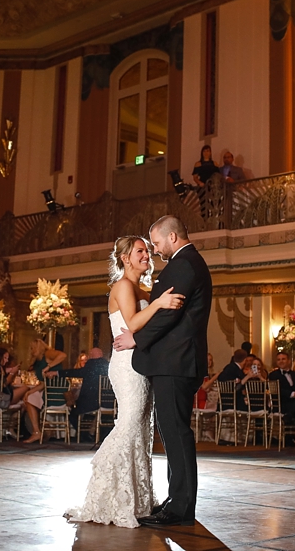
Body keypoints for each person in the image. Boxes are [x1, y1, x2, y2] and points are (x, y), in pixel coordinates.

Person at [67, 232, 186, 528]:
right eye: (140, 251)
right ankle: (104, 493)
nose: (147, 255)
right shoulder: (122, 285)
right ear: (125, 258)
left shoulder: (142, 287)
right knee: (130, 424)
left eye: (147, 251)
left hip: (142, 365)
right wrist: (159, 304)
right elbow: (132, 324)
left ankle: (136, 500)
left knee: (143, 429)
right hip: (126, 366)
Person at [114, 215, 212, 527]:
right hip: (174, 361)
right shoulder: (187, 263)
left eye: (155, 243)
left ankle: (181, 508)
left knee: (177, 433)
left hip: (176, 362)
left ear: (172, 237)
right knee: (172, 432)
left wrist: (136, 337)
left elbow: (170, 314)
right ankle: (176, 500)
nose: (154, 250)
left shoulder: (184, 264)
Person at [0, 347, 43, 442]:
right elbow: (3, 384)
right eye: (5, 358)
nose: (6, 360)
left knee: (24, 404)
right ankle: (15, 427)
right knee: (26, 388)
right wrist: (12, 372)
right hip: (0, 397)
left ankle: (9, 427)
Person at [48, 347, 109, 435]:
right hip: (107, 403)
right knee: (85, 412)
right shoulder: (107, 365)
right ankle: (93, 434)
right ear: (102, 355)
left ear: (91, 356)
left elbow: (77, 372)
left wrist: (57, 373)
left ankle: (83, 436)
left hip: (92, 403)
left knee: (72, 413)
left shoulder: (91, 364)